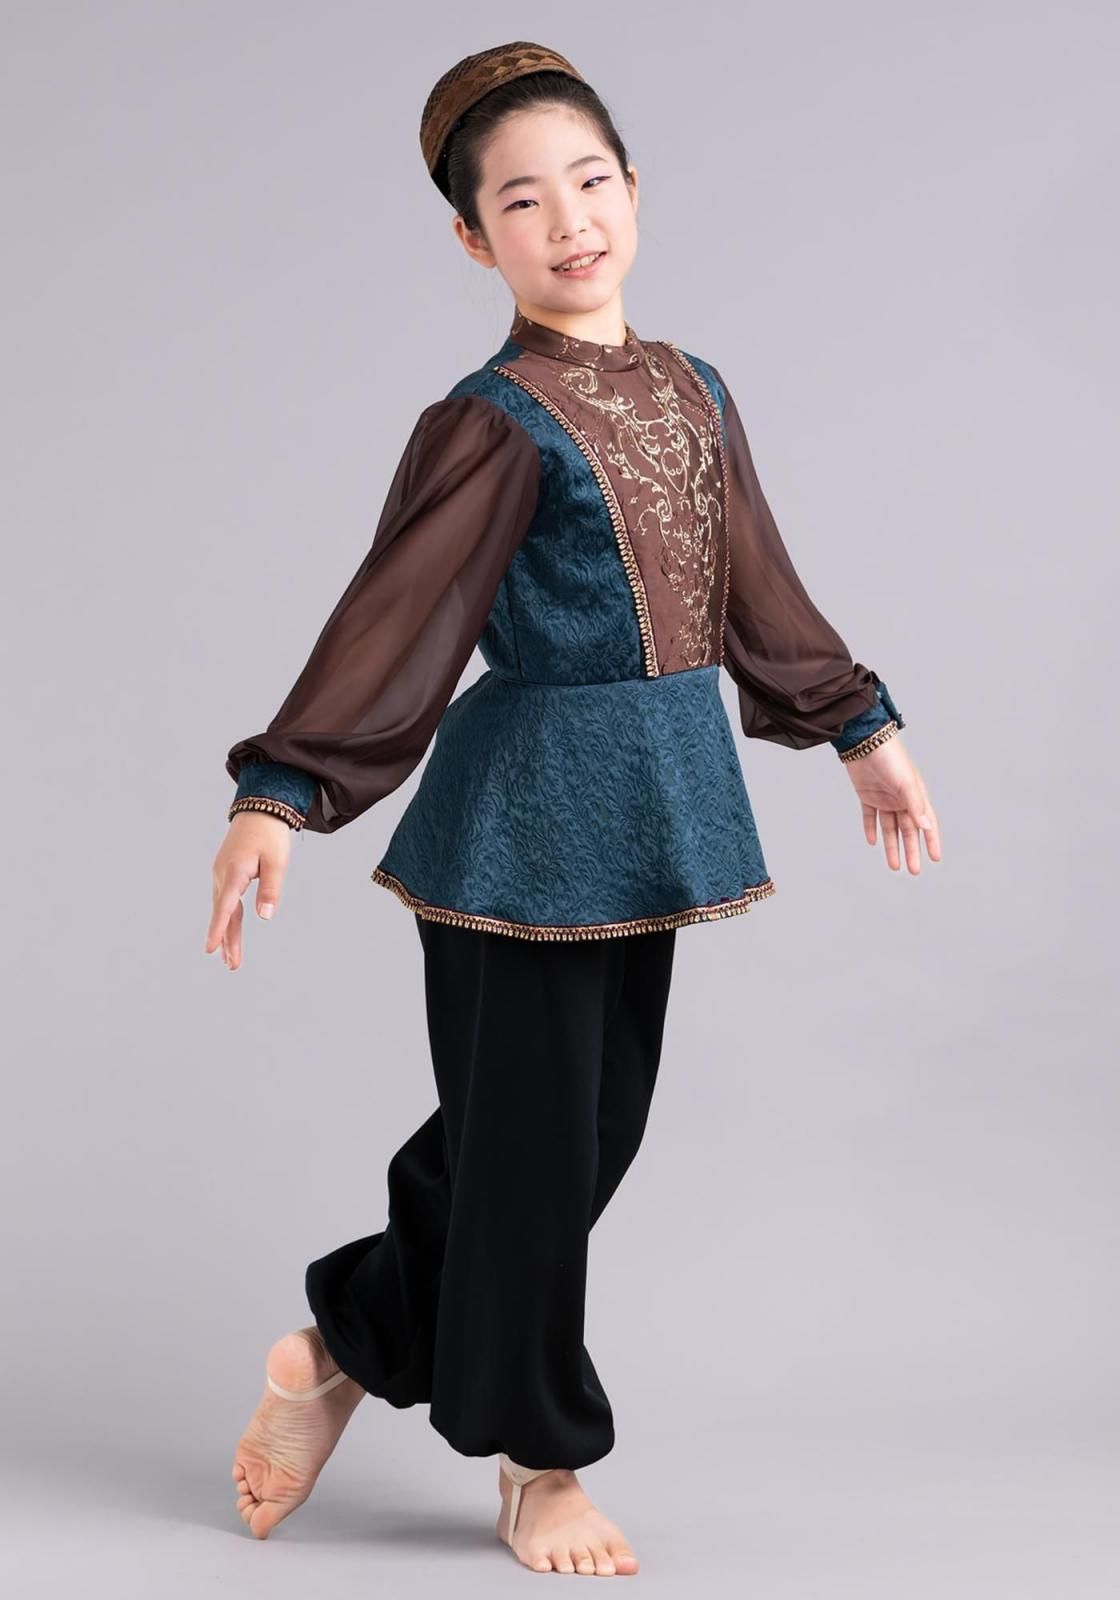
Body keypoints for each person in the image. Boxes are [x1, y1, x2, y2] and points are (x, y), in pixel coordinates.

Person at [207, 39, 940, 1578]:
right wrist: (285, 790)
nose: (570, 220)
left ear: (635, 190)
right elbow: (398, 614)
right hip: (526, 817)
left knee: (577, 1131)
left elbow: (756, 585)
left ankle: (340, 1343)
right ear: (476, 240)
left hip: (657, 801)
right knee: (537, 1150)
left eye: (590, 181)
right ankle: (541, 1462)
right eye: (523, 200)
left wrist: (858, 729)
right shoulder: (492, 419)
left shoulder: (693, 387)